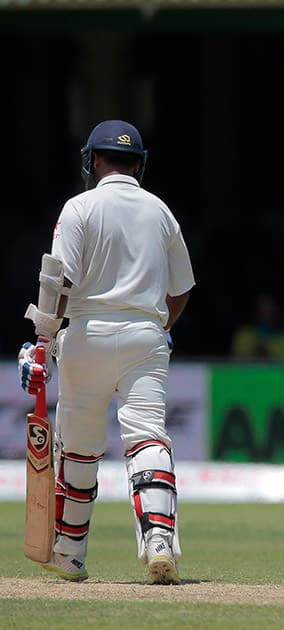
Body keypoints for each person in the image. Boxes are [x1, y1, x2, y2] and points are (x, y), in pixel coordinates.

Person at [17, 119, 195, 584]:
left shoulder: (79, 207)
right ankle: (158, 540)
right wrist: (160, 327)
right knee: (147, 436)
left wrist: (41, 343)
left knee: (78, 448)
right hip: (145, 335)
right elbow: (180, 292)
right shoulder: (161, 211)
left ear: (94, 160)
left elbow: (59, 280)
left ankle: (71, 552)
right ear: (138, 164)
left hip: (87, 335)